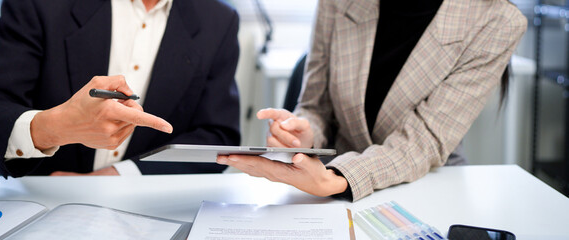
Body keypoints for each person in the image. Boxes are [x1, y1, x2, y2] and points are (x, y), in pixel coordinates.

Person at [218, 0, 526, 201]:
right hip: (328, 183)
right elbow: (316, 105)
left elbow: (424, 141)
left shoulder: (498, 19)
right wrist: (307, 133)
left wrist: (338, 178)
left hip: (424, 184)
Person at [0, 0, 241, 177]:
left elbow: (217, 135)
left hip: (146, 208)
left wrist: (122, 174)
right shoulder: (40, 4)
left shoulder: (219, 20)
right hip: (40, 202)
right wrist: (53, 127)